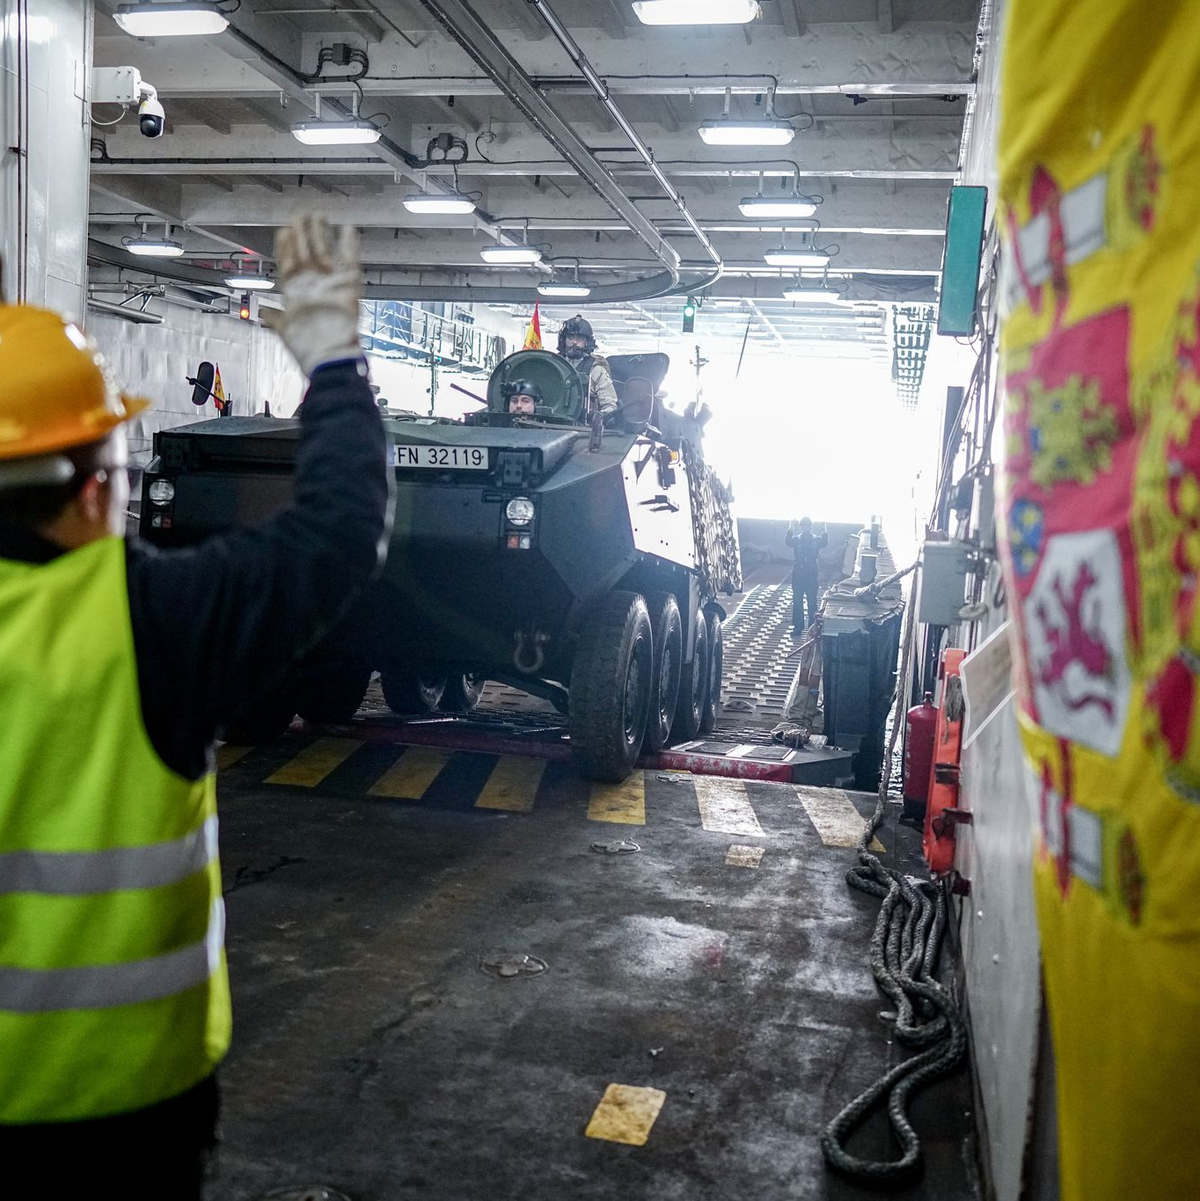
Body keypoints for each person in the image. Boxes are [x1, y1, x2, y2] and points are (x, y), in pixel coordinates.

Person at [0, 215, 391, 1197]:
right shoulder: (147, 616)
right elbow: (337, 533)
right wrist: (333, 359)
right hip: (123, 1120)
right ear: (95, 487)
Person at [557, 314, 618, 416]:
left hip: (583, 427)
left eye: (580, 338)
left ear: (587, 342)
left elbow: (610, 406)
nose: (574, 342)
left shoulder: (596, 370)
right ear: (564, 340)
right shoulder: (554, 365)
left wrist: (598, 416)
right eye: (570, 337)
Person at [786, 516, 827, 632]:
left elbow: (825, 542)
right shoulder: (797, 540)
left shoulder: (815, 540)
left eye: (808, 526)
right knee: (797, 600)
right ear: (801, 527)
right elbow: (788, 541)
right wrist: (790, 527)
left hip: (811, 573)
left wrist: (824, 529)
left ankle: (812, 626)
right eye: (804, 526)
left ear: (810, 527)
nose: (806, 528)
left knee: (812, 600)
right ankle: (798, 626)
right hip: (798, 572)